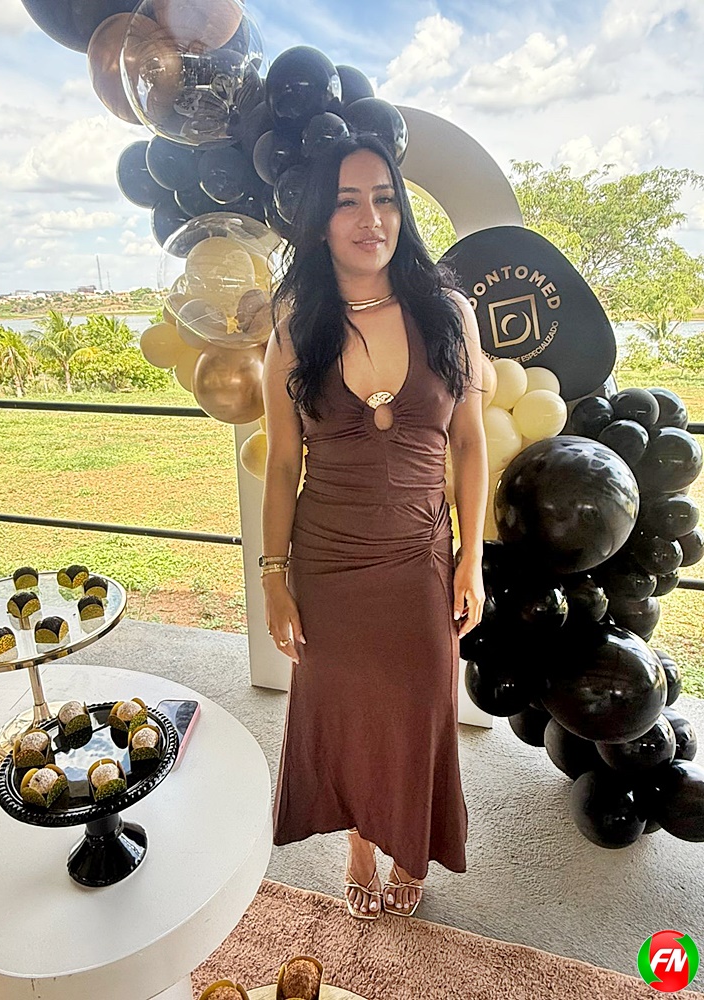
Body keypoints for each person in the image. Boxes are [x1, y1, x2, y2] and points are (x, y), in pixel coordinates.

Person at [259, 132, 488, 921]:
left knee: (420, 711)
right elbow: (281, 464)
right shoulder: (295, 330)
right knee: (345, 711)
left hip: (421, 557)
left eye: (385, 198)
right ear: (321, 222)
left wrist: (472, 560)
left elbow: (470, 444)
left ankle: (408, 843)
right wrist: (273, 578)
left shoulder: (449, 315)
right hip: (327, 563)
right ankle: (359, 845)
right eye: (348, 201)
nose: (371, 217)